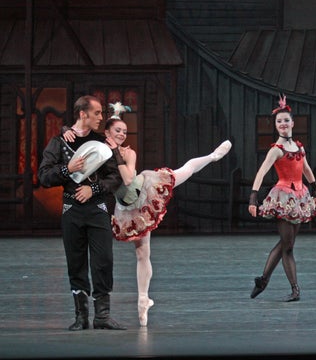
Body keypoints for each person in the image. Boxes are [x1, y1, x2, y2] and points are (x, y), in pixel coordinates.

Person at [63, 103, 232, 326]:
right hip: (126, 207)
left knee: (185, 170)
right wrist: (64, 129)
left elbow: (127, 177)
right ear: (106, 133)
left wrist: (116, 152)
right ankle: (143, 301)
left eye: (124, 131)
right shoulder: (99, 149)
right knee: (142, 254)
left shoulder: (127, 152)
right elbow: (81, 139)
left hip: (144, 190)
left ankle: (212, 156)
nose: (122, 134)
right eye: (117, 131)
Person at [38, 95, 125, 330]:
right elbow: (44, 176)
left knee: (103, 260)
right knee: (75, 263)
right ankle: (81, 317)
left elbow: (115, 177)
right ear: (83, 114)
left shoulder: (102, 143)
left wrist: (93, 188)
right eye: (97, 113)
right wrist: (67, 169)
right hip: (71, 210)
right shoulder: (60, 142)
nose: (100, 117)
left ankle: (102, 316)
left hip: (97, 209)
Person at [248, 95, 316, 302]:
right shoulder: (276, 150)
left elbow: (306, 169)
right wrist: (253, 198)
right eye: (279, 121)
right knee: (287, 245)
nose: (282, 124)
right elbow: (261, 172)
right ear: (276, 125)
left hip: (299, 196)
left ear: (292, 123)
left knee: (286, 244)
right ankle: (294, 289)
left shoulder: (299, 147)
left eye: (286, 121)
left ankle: (263, 280)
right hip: (283, 197)